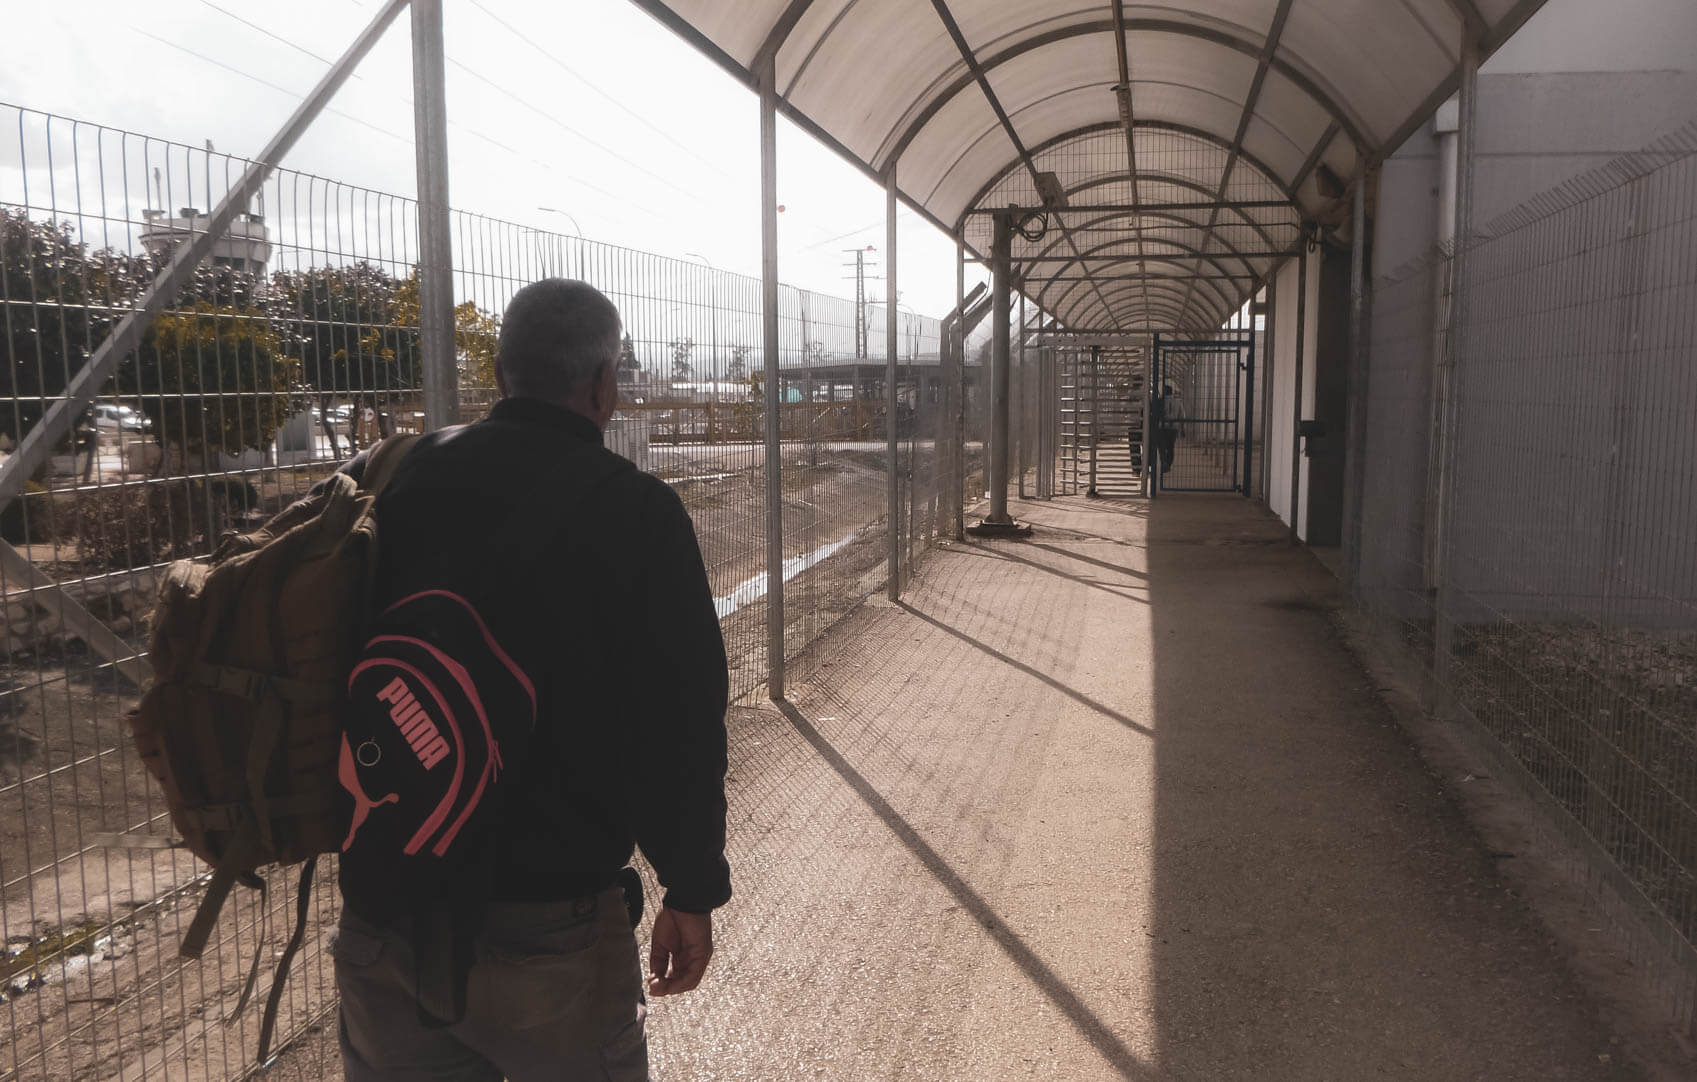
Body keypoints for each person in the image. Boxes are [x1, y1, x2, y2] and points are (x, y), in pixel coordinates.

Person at [331, 278, 732, 1082]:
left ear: (501, 374)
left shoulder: (391, 478)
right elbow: (678, 724)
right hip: (552, 925)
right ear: (601, 383)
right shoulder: (637, 513)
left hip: (385, 904)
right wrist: (689, 887)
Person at [1151, 382, 1185, 477]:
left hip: (1162, 427)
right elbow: (1182, 416)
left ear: (1164, 392)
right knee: (1171, 447)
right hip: (1173, 428)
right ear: (1172, 392)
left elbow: (1155, 414)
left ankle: (1164, 462)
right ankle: (1168, 464)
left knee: (1161, 447)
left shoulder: (1159, 401)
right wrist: (1182, 429)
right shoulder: (1178, 402)